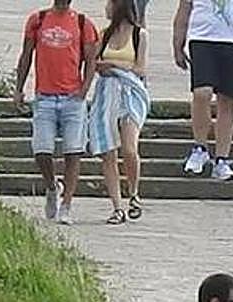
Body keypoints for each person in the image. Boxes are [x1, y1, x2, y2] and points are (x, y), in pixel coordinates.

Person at [15, 0, 100, 226]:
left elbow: (91, 60)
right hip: (44, 95)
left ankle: (67, 204)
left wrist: (84, 89)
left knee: (73, 151)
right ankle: (52, 186)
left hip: (72, 97)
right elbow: (26, 56)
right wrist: (18, 88)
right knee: (42, 150)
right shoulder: (38, 19)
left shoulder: (83, 23)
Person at [173, 0, 233, 181]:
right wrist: (178, 44)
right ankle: (200, 147)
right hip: (202, 38)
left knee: (227, 100)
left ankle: (222, 158)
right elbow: (183, 12)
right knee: (202, 93)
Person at [88, 0, 150, 225]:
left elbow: (140, 68)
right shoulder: (103, 34)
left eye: (110, 4)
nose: (106, 8)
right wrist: (100, 66)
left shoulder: (139, 35)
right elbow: (93, 62)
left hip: (130, 94)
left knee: (129, 147)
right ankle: (116, 206)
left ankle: (133, 192)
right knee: (108, 152)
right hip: (107, 94)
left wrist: (114, 66)